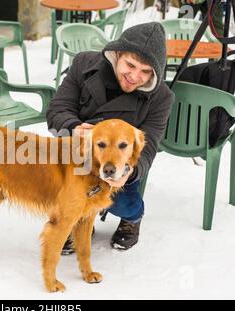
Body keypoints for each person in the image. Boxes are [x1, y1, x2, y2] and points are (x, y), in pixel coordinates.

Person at [46, 22, 175, 253]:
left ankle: (132, 219)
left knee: (125, 204)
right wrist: (73, 127)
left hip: (118, 164)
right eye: (130, 65)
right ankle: (80, 219)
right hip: (78, 156)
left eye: (146, 72)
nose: (135, 76)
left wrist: (129, 172)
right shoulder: (84, 64)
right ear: (117, 54)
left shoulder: (161, 97)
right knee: (58, 191)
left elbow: (150, 144)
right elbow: (58, 108)